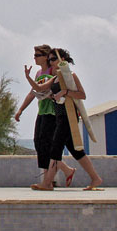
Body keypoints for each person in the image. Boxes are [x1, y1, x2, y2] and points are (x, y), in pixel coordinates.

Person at [24, 48, 103, 191]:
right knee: (76, 151)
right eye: (49, 60)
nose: (51, 62)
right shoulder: (55, 78)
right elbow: (39, 87)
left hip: (69, 117)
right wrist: (28, 77)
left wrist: (65, 92)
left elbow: (82, 95)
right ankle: (95, 178)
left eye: (53, 59)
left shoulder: (71, 76)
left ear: (62, 60)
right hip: (59, 116)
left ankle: (47, 183)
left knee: (55, 149)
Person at [15, 44, 76, 188]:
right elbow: (33, 92)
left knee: (47, 145)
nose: (34, 58)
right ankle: (57, 174)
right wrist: (21, 110)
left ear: (45, 56)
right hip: (42, 111)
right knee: (39, 143)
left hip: (54, 112)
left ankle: (51, 180)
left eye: (37, 55)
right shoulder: (38, 73)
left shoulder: (53, 70)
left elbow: (59, 87)